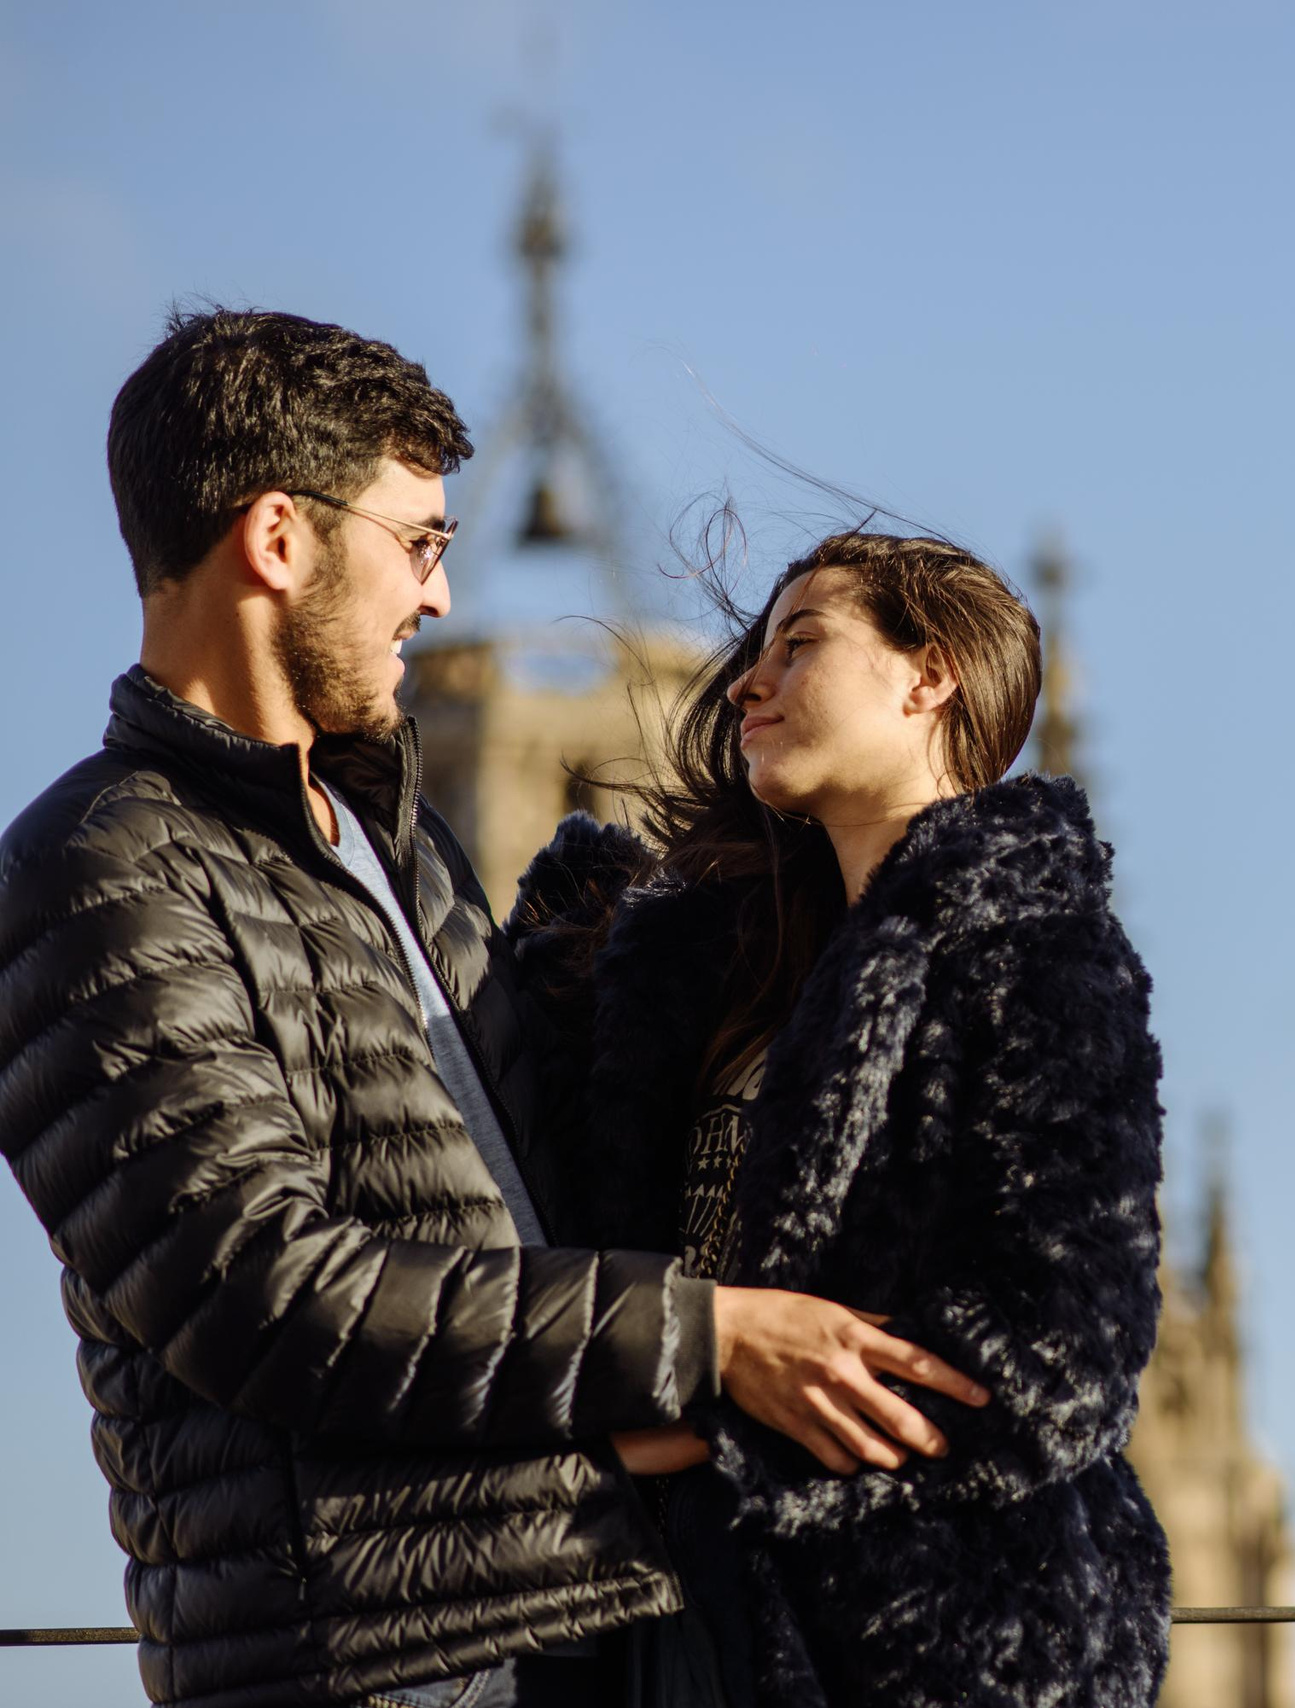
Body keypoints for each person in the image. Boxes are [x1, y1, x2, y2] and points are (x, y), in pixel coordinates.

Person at [0, 310, 989, 1708]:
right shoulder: (95, 863)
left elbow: (547, 1199)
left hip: (566, 1626)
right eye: (420, 544)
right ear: (279, 540)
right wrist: (708, 1342)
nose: (440, 599)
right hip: (364, 1665)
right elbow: (260, 1291)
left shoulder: (388, 838)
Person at [509, 531, 1172, 1707]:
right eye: (754, 652)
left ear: (929, 677)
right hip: (657, 1621)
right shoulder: (713, 966)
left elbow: (1056, 1355)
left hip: (919, 1646)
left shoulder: (1037, 948)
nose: (751, 681)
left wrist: (695, 1420)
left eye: (800, 644)